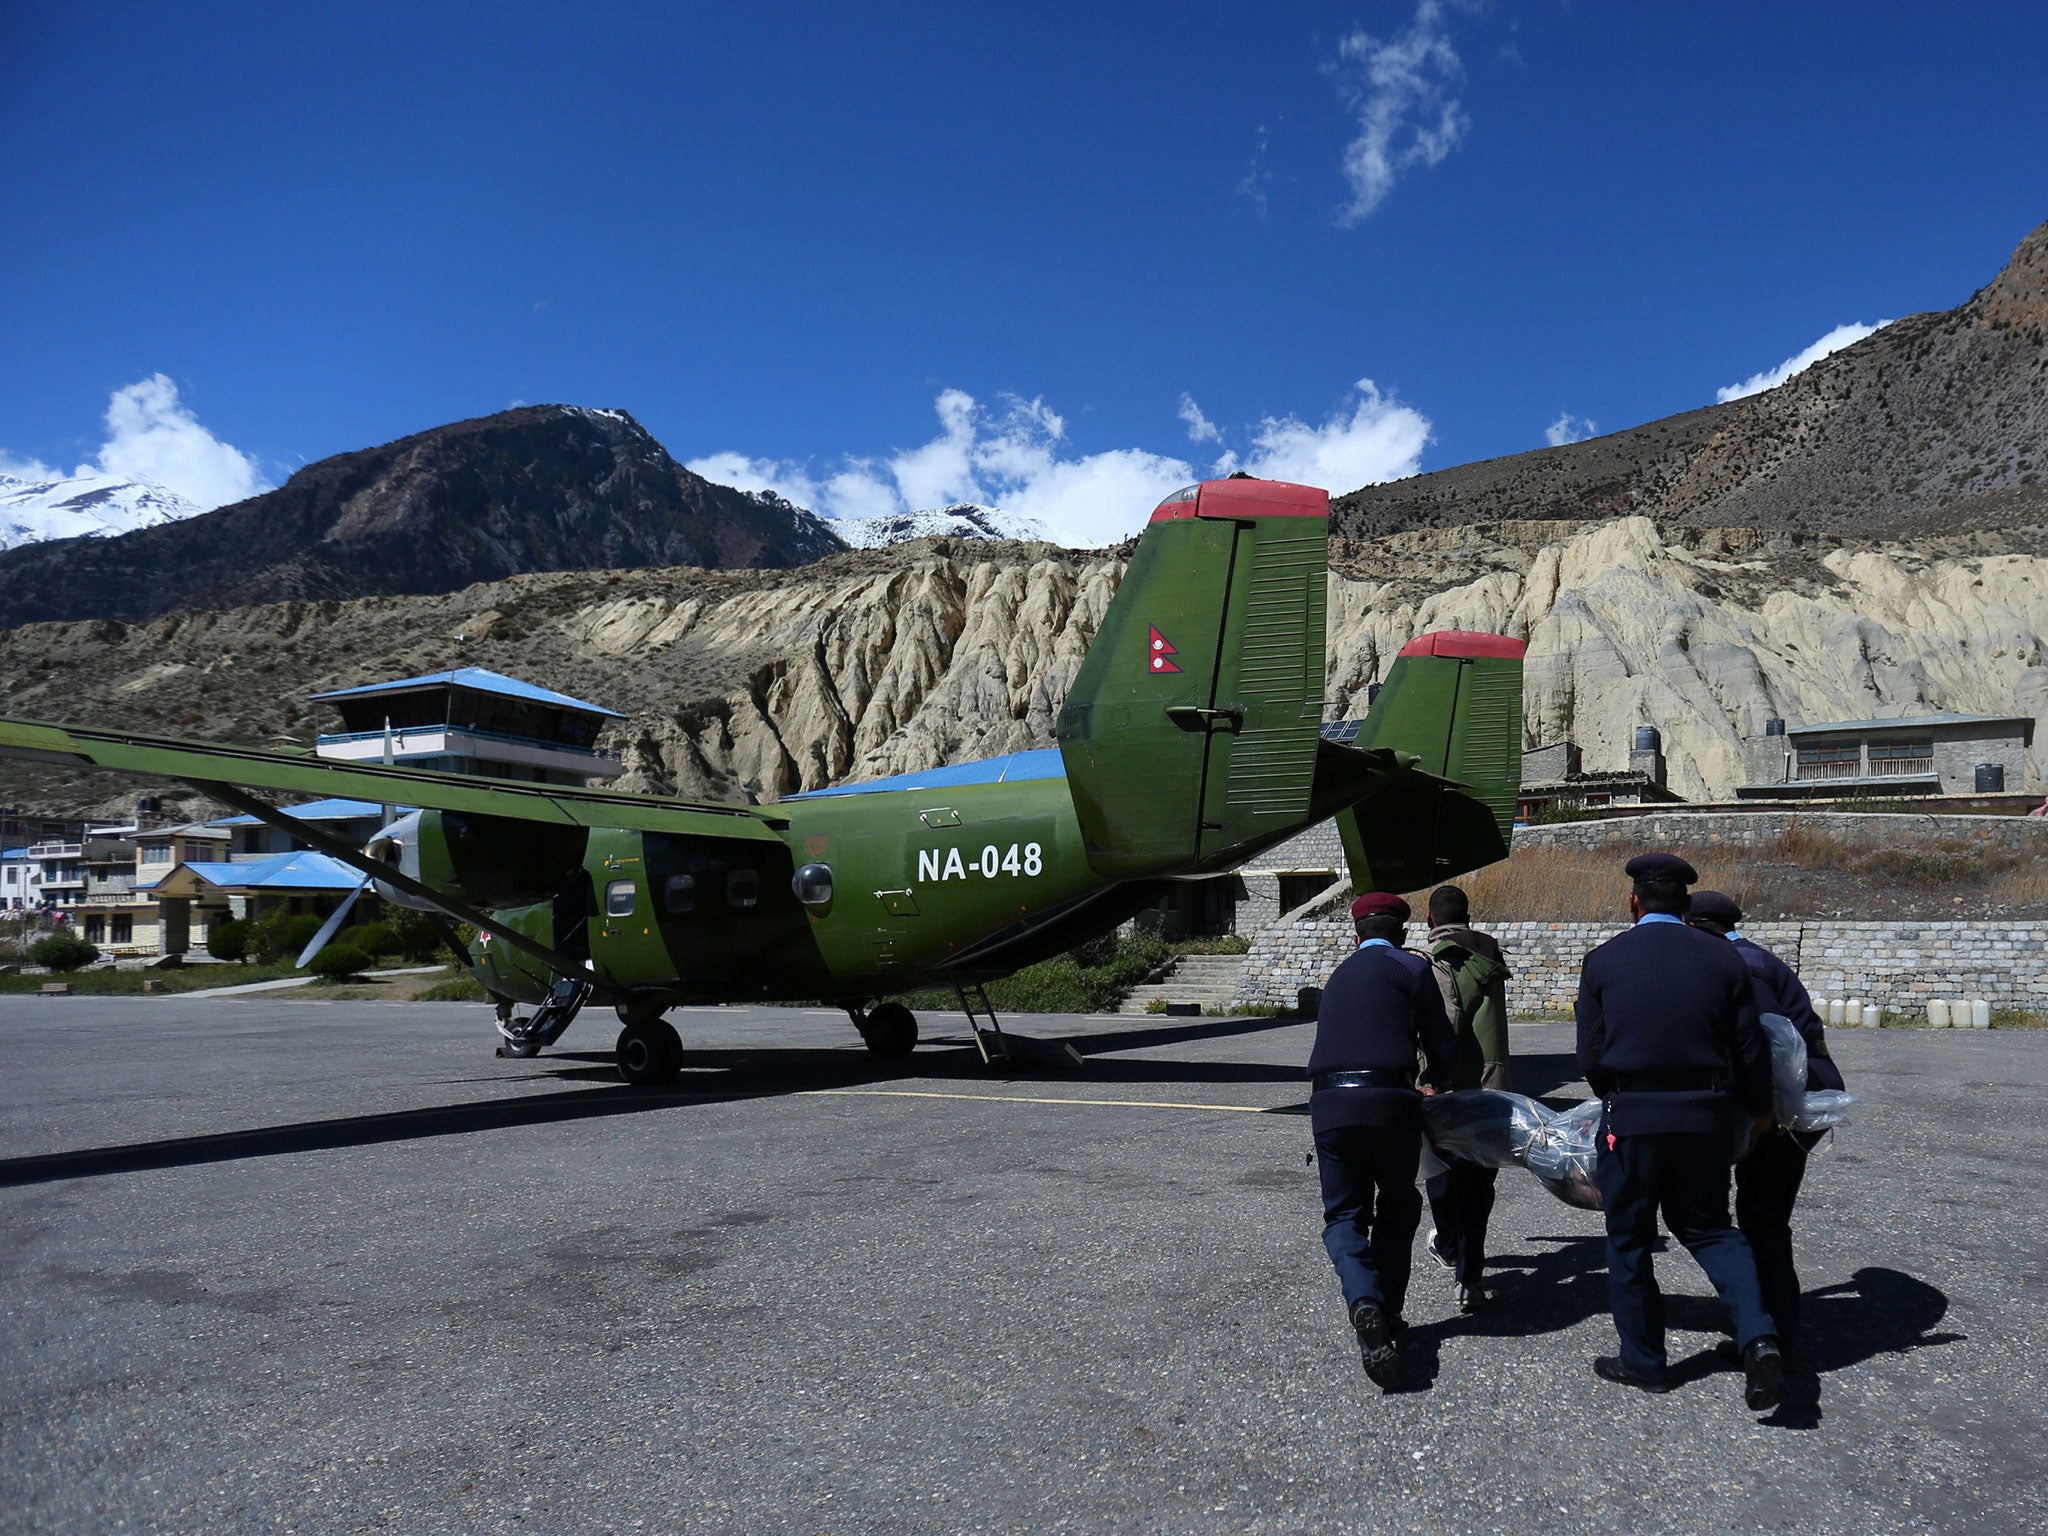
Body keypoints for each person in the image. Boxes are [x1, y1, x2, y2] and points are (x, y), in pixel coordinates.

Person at [1575, 852, 1785, 1411]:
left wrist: (1617, 1098)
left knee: (1629, 1239)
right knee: (1713, 1230)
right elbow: (1750, 1049)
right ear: (1688, 904)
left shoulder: (1603, 961)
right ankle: (1759, 1339)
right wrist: (1756, 1110)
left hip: (1633, 1119)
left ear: (1633, 901)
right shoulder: (1724, 960)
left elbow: (1590, 1056)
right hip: (1706, 1117)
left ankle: (1645, 1362)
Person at [1308, 891, 1458, 1391]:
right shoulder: (1411, 970)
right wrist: (1440, 1078)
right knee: (1398, 1203)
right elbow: (1442, 1044)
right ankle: (1387, 1312)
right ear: (1403, 933)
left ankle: (1363, 1300)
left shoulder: (1339, 976)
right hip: (1389, 1100)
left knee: (1344, 1215)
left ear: (1357, 936)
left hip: (1329, 1102)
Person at [1688, 889, 1847, 1354]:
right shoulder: (1753, 956)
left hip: (1784, 1106)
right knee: (1761, 1214)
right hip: (1789, 1097)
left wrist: (1759, 1119)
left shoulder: (1741, 967)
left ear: (1696, 928)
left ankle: (1775, 1332)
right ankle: (1766, 1314)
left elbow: (1772, 1047)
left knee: (1763, 1219)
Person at [1421, 884, 1512, 1311]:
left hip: (1451, 1086)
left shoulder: (1442, 958)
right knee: (1479, 1183)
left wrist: (1426, 1077)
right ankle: (1469, 1274)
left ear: (1429, 919)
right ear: (1468, 916)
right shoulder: (1490, 955)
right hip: (1492, 1083)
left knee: (1439, 1167)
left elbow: (1447, 1021)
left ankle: (1450, 1245)